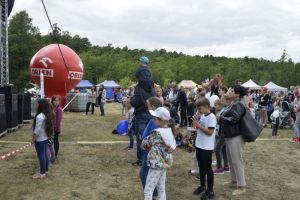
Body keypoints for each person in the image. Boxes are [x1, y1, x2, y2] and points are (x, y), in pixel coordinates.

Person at [142, 107, 176, 200]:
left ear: (160, 120)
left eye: (155, 118)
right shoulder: (170, 131)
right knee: (161, 188)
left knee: (148, 190)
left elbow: (145, 144)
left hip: (156, 164)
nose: (153, 120)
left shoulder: (156, 133)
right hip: (164, 164)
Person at [219, 85, 248, 196]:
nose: (230, 92)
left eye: (232, 91)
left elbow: (234, 119)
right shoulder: (234, 103)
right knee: (231, 160)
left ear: (237, 94)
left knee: (237, 160)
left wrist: (221, 118)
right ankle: (234, 180)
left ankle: (241, 186)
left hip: (236, 136)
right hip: (231, 135)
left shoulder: (239, 104)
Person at [192, 98, 216, 200]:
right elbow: (197, 128)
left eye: (200, 108)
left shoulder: (211, 117)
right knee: (201, 167)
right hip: (199, 145)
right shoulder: (202, 115)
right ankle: (202, 186)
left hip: (206, 147)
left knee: (208, 169)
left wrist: (198, 125)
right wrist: (195, 122)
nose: (199, 110)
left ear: (207, 106)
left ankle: (210, 191)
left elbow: (210, 132)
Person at [139, 97, 163, 199]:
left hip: (150, 153)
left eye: (148, 105)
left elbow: (155, 138)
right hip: (149, 152)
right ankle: (154, 194)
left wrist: (145, 143)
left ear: (153, 107)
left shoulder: (155, 121)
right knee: (150, 175)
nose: (147, 107)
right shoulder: (154, 119)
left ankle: (152, 194)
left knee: (144, 174)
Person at [130, 85, 156, 166]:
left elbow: (134, 103)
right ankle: (149, 157)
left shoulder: (139, 88)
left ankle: (141, 159)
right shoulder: (152, 88)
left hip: (141, 115)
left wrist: (131, 99)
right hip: (151, 114)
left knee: (141, 137)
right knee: (150, 137)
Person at [32, 99, 55, 179]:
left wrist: (33, 139)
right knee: (45, 154)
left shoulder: (40, 116)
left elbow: (37, 130)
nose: (36, 106)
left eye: (37, 104)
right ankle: (45, 170)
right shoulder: (46, 114)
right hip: (45, 137)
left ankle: (42, 173)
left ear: (41, 105)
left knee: (41, 155)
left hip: (40, 139)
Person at [213, 99, 229, 175]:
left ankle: (219, 168)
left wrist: (218, 119)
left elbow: (221, 121)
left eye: (223, 100)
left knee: (217, 149)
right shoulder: (223, 110)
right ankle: (226, 166)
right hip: (222, 131)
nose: (214, 107)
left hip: (224, 132)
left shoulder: (226, 109)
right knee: (223, 149)